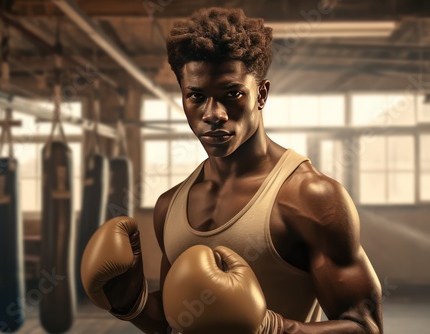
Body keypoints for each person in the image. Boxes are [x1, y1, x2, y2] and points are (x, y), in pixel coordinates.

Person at [80, 7, 383, 334]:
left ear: (261, 94)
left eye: (232, 94)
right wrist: (131, 303)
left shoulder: (311, 197)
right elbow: (173, 324)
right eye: (196, 96)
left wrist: (274, 329)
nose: (214, 114)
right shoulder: (169, 206)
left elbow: (366, 327)